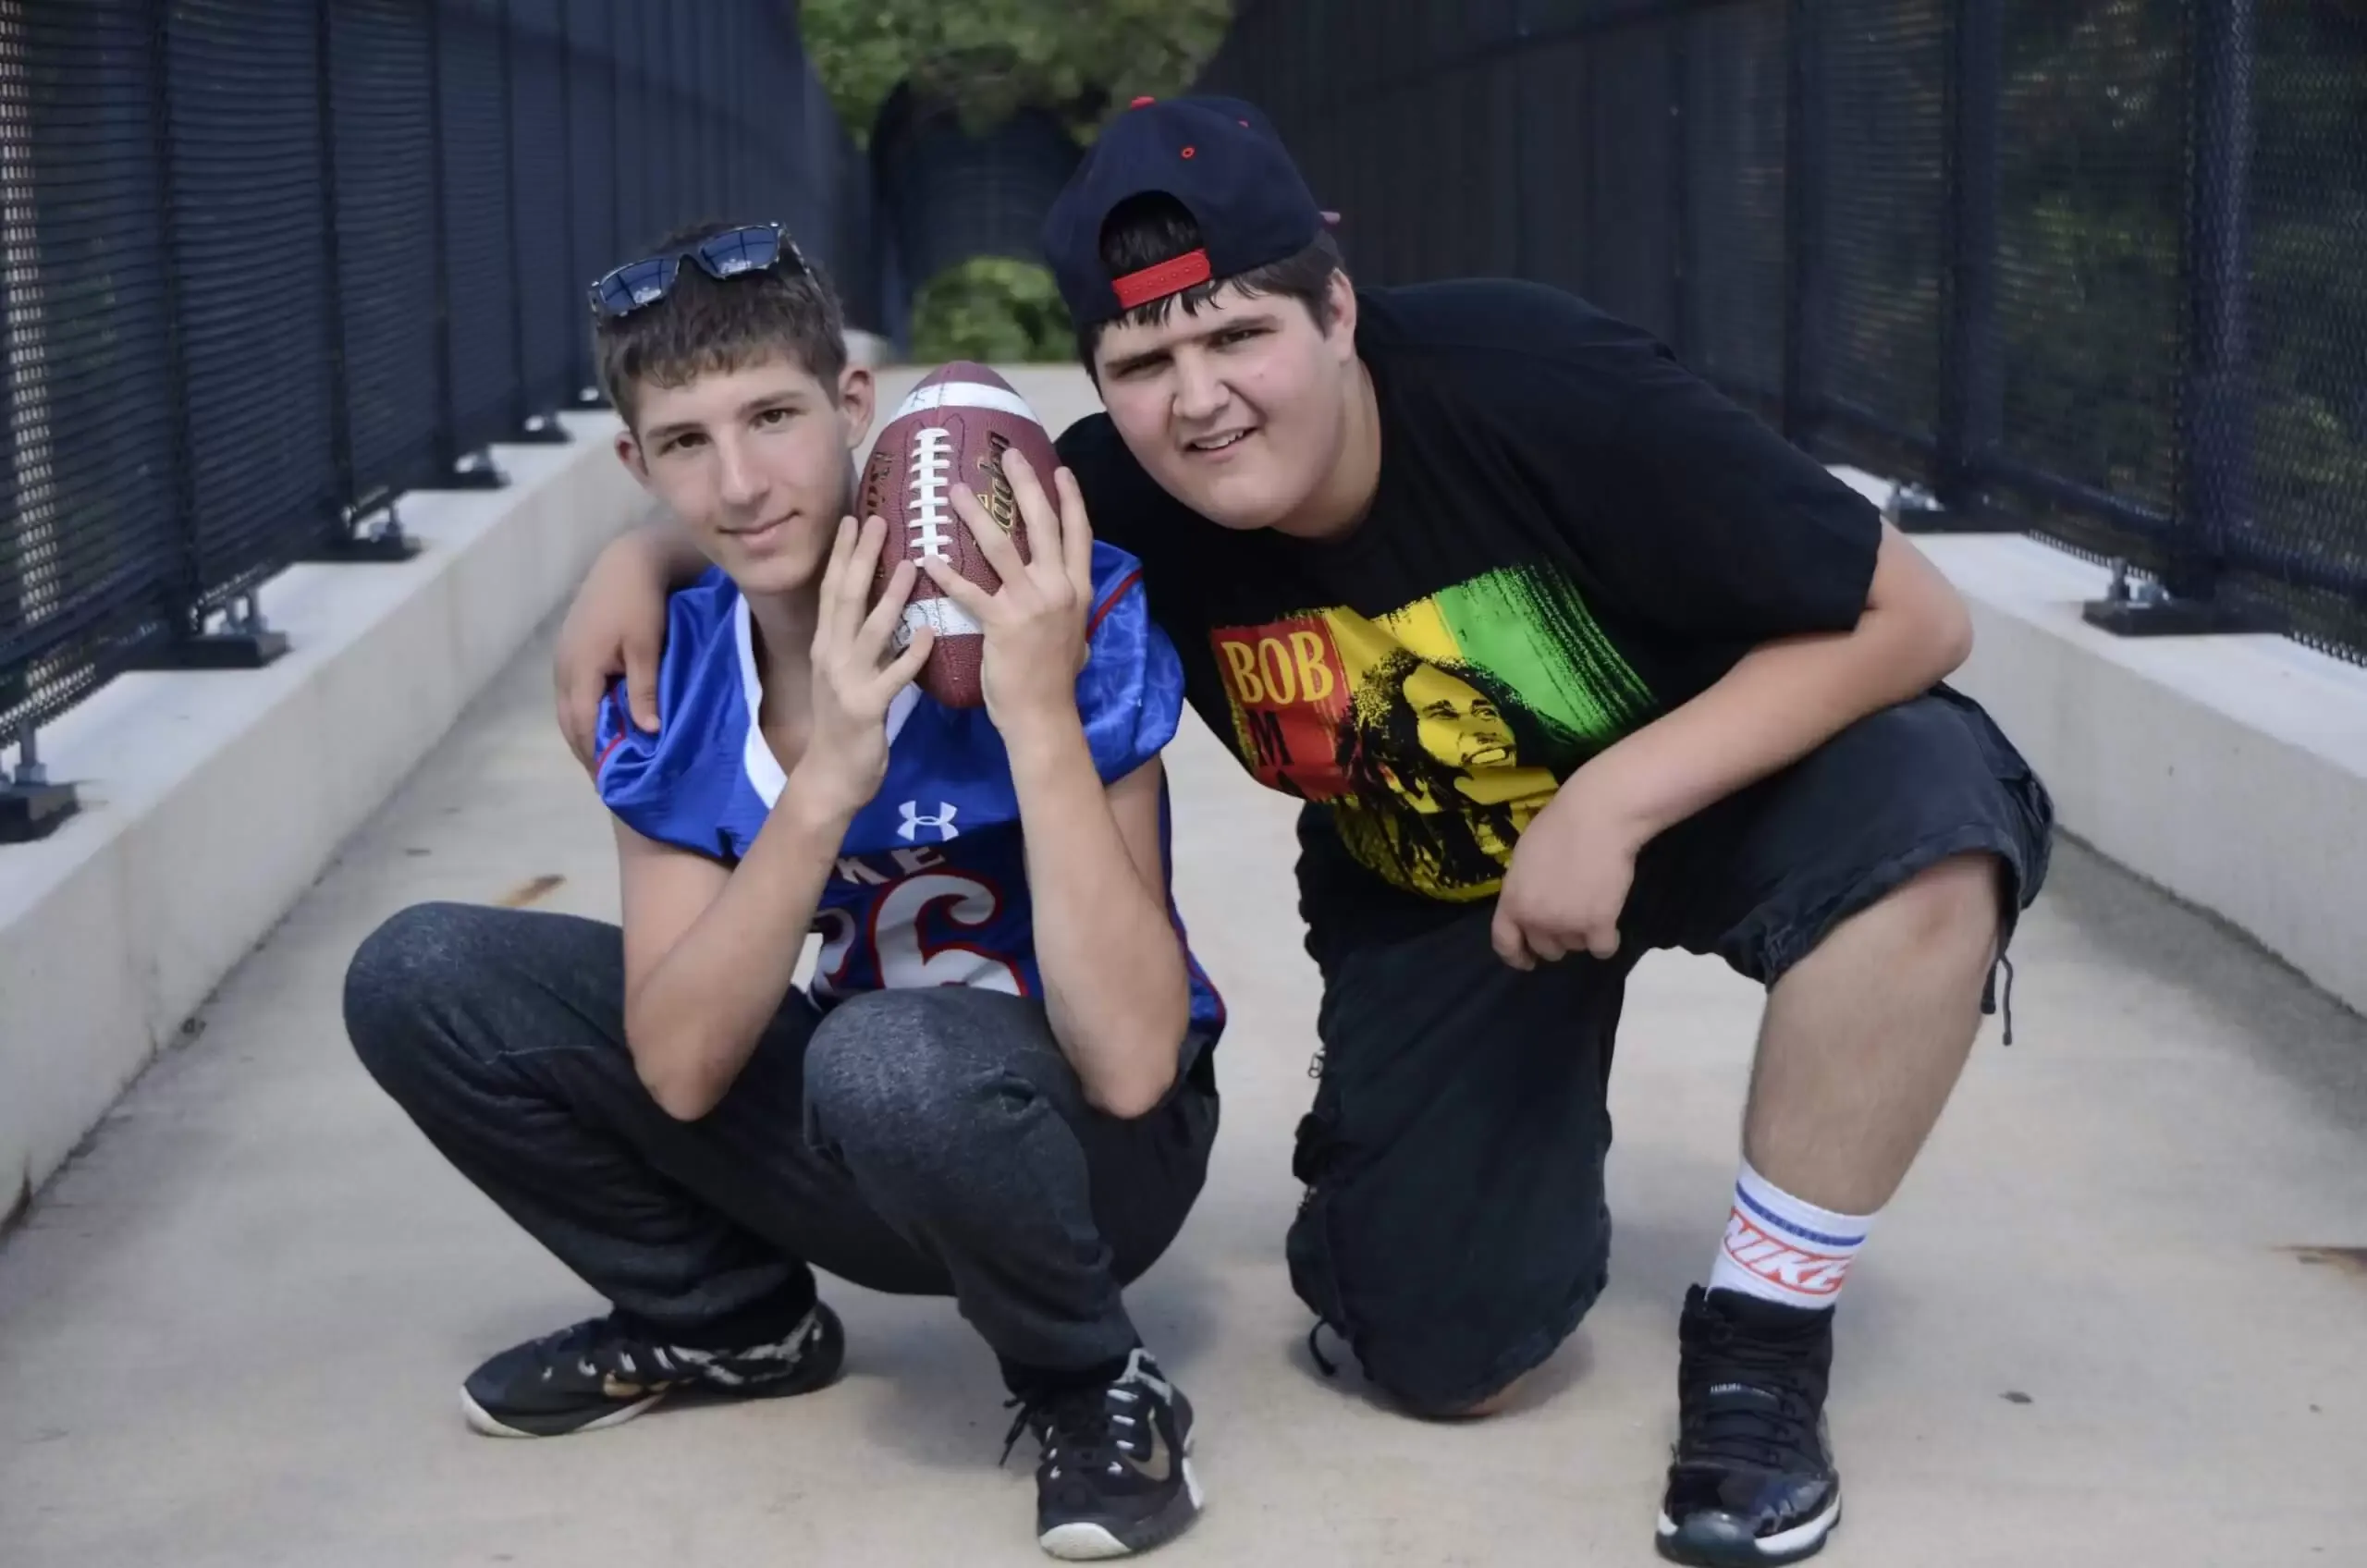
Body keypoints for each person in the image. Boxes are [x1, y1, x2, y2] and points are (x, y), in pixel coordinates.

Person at [551, 100, 2054, 1567]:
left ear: (1337, 307)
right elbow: (835, 501)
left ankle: (1764, 1336)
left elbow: (1915, 616)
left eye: (1238, 334)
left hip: (1712, 788)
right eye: (1144, 360)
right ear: (1101, 381)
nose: (1198, 396)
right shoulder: (1115, 498)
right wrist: (648, 551)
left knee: (1927, 819)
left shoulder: (1535, 376)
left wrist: (1616, 796)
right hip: (1450, 889)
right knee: (1442, 1356)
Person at [344, 219, 1227, 1562]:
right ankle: (728, 1325)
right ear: (637, 467)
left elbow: (1133, 1063)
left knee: (881, 1053)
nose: (743, 484)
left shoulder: (1056, 613)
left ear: (852, 409)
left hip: (1089, 1161)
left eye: (772, 418)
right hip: (839, 1138)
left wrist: (1036, 716)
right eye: (687, 444)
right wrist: (824, 790)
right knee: (420, 975)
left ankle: (1092, 1378)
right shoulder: (676, 675)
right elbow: (684, 1069)